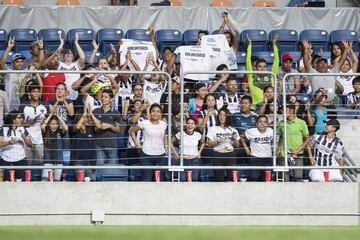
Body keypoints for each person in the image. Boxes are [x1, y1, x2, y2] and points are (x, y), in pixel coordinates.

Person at [130, 103, 168, 181]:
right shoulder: (144, 123)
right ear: (150, 113)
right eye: (153, 111)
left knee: (159, 180)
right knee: (146, 180)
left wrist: (166, 147)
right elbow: (132, 131)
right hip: (146, 154)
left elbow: (165, 136)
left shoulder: (164, 124)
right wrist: (137, 144)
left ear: (161, 114)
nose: (155, 113)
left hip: (160, 155)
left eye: (158, 111)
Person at [246, 33, 279, 109]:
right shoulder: (251, 76)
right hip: (255, 108)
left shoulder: (271, 76)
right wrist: (249, 45)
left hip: (271, 107)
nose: (262, 68)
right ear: (256, 68)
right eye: (259, 66)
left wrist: (274, 45)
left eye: (264, 66)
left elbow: (276, 62)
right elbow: (248, 61)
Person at [278, 104, 310, 181]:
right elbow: (280, 137)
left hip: (298, 155)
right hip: (284, 154)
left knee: (298, 178)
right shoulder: (281, 123)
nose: (283, 112)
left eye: (285, 110)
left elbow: (307, 139)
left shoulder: (302, 122)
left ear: (292, 110)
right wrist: (278, 149)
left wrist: (298, 150)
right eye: (282, 110)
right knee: (285, 180)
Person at [207, 107, 240, 182]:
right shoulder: (213, 129)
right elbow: (209, 144)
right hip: (218, 155)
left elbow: (237, 145)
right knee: (219, 180)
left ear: (227, 116)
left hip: (230, 155)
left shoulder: (232, 129)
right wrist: (218, 141)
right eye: (220, 115)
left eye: (224, 115)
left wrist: (234, 139)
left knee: (233, 179)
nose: (222, 117)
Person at [19, 84, 47, 167]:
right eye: (34, 92)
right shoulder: (23, 106)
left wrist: (45, 124)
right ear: (29, 93)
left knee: (38, 165)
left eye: (38, 92)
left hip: (39, 140)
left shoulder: (45, 105)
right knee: (28, 165)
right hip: (26, 139)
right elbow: (19, 124)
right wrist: (31, 122)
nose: (36, 94)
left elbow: (51, 122)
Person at [92, 89, 121, 166]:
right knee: (99, 169)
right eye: (102, 97)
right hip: (99, 145)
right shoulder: (96, 111)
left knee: (112, 171)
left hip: (112, 145)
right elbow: (93, 129)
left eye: (105, 97)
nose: (103, 98)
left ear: (110, 98)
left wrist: (109, 126)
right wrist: (100, 127)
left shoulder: (116, 112)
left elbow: (118, 129)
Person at [0, 111, 32, 181]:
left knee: (21, 182)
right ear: (13, 119)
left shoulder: (23, 129)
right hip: (6, 160)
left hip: (21, 159)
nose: (21, 119)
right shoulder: (3, 129)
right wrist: (9, 142)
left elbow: (30, 144)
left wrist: (24, 137)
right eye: (19, 118)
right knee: (7, 182)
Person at [241, 115, 273, 181]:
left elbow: (272, 141)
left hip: (267, 159)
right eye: (260, 122)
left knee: (267, 181)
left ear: (267, 124)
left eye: (265, 122)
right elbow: (241, 136)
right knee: (254, 180)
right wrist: (246, 148)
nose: (262, 124)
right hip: (255, 159)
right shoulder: (252, 131)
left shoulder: (270, 131)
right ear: (256, 123)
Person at [173, 117, 205, 182]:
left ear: (195, 126)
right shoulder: (181, 134)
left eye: (192, 124)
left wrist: (199, 152)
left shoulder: (197, 134)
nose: (190, 125)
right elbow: (170, 142)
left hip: (195, 160)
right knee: (183, 180)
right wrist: (176, 153)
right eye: (188, 123)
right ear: (185, 125)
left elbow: (203, 142)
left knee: (194, 180)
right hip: (183, 160)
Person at [0, 37, 27, 111]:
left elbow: (40, 63)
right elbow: (1, 63)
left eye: (21, 61)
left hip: (22, 106)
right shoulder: (9, 72)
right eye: (17, 62)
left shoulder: (26, 72)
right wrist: (9, 47)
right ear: (12, 63)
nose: (20, 63)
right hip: (9, 106)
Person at [40, 113, 68, 181]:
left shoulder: (59, 132)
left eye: (56, 124)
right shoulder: (45, 132)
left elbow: (66, 128)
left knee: (56, 181)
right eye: (52, 124)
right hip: (48, 161)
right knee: (44, 181)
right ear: (49, 125)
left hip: (59, 161)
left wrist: (58, 116)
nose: (54, 126)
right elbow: (42, 127)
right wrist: (51, 115)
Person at [58, 32, 86, 101]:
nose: (68, 54)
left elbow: (82, 57)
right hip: (62, 95)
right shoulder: (60, 64)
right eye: (66, 53)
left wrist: (76, 43)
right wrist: (61, 43)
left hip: (75, 95)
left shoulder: (76, 64)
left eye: (70, 53)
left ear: (73, 56)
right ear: (63, 56)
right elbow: (56, 55)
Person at [73, 107, 97, 181]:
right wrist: (84, 115)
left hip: (90, 162)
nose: (88, 119)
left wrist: (91, 114)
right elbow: (77, 127)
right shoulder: (75, 130)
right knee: (79, 185)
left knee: (92, 183)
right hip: (78, 162)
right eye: (86, 117)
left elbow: (99, 126)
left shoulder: (91, 129)